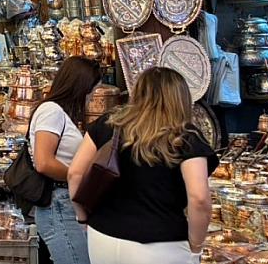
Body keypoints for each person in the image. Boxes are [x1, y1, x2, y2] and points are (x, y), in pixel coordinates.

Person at [68, 67, 216, 264]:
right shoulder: (185, 136)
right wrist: (196, 246)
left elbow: (75, 173)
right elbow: (199, 198)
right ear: (181, 98)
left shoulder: (109, 123)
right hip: (161, 243)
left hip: (103, 237)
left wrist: (82, 218)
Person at [27, 57, 101, 264]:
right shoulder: (51, 111)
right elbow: (43, 162)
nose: (92, 95)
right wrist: (79, 176)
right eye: (91, 89)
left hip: (64, 201)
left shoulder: (61, 113)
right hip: (58, 203)